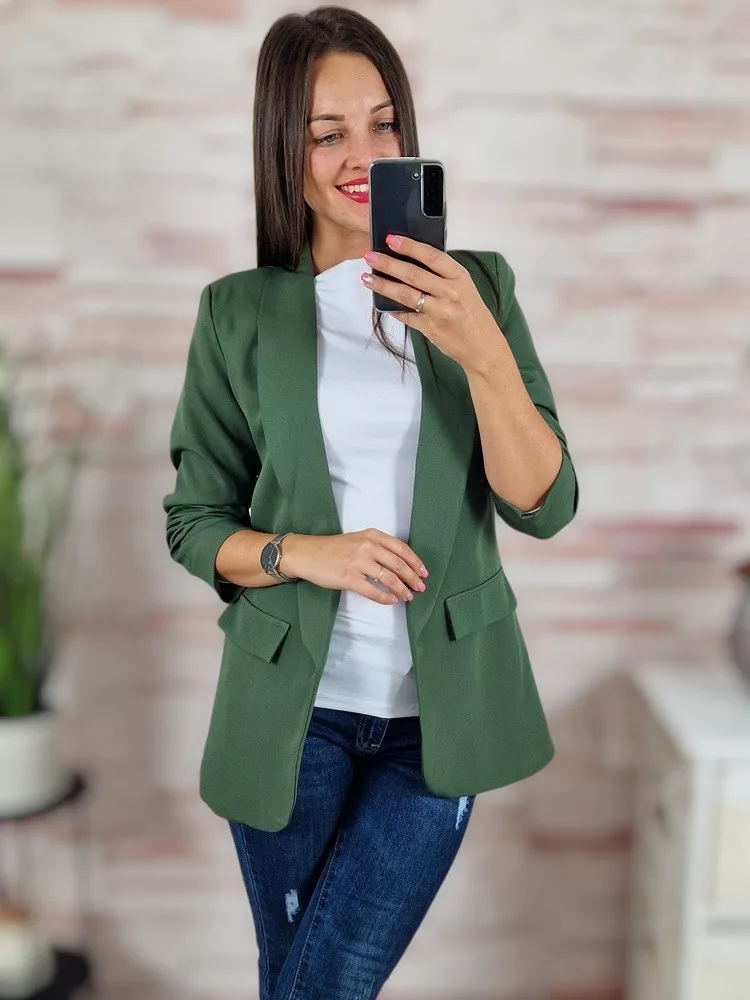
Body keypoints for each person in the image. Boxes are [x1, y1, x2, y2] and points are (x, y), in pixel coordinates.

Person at [162, 6, 579, 999]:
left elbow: (545, 502)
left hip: (438, 718)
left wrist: (480, 346)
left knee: (320, 983)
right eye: (327, 133)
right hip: (290, 715)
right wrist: (308, 552)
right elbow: (194, 522)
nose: (365, 154)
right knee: (302, 980)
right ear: (284, 147)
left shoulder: (479, 289)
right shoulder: (238, 312)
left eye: (384, 123)